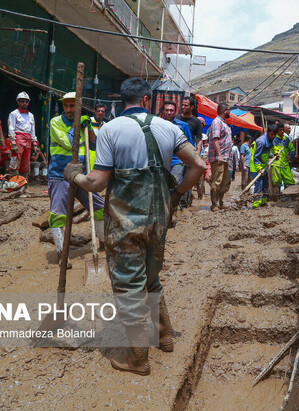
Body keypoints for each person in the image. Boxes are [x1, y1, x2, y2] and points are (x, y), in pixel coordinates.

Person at [63, 77, 204, 375]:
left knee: (129, 287)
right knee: (151, 278)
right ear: (146, 100)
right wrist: (177, 193)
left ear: (121, 101)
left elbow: (97, 183)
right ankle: (164, 336)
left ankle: (138, 358)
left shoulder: (111, 129)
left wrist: (73, 176)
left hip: (126, 223)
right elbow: (199, 166)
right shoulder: (170, 128)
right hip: (158, 220)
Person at [48, 92, 105, 265]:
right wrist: (77, 126)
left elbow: (94, 144)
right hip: (60, 174)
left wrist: (88, 127)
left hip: (82, 174)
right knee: (58, 213)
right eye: (66, 106)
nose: (68, 109)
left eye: (72, 106)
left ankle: (103, 243)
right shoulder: (55, 122)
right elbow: (68, 142)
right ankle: (61, 253)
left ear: (79, 106)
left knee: (100, 207)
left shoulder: (85, 122)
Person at [162, 100, 194, 209]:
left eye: (172, 110)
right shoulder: (158, 124)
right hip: (161, 161)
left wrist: (190, 161)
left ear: (176, 112)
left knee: (174, 185)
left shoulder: (183, 126)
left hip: (177, 161)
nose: (169, 113)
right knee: (162, 186)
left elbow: (189, 143)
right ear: (163, 112)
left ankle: (172, 209)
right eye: (167, 110)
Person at [7, 92, 39, 179]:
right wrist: (13, 143)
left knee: (26, 162)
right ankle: (13, 182)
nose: (24, 103)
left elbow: (32, 130)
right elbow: (11, 129)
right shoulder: (14, 114)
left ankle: (24, 183)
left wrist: (35, 144)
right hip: (18, 139)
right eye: (22, 101)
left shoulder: (31, 116)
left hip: (28, 140)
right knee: (15, 161)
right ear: (18, 102)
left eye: (26, 101)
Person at [208, 103, 232, 211]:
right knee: (217, 181)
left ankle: (221, 202)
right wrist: (219, 155)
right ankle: (214, 204)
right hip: (219, 158)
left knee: (224, 181)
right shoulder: (217, 122)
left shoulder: (224, 123)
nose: (230, 112)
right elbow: (215, 139)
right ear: (224, 111)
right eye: (229, 110)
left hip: (225, 157)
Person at [250, 124, 277, 208]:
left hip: (264, 165)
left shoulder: (271, 140)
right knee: (259, 184)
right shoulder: (261, 142)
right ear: (268, 132)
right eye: (272, 134)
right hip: (256, 166)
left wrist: (275, 153)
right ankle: (256, 203)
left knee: (266, 184)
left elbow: (272, 148)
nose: (273, 136)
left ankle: (264, 202)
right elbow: (256, 157)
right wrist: (259, 169)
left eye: (274, 135)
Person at [271, 122, 295, 191]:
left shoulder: (287, 139)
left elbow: (292, 149)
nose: (282, 131)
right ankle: (277, 197)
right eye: (280, 130)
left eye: (283, 130)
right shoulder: (274, 140)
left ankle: (290, 196)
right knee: (276, 182)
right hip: (276, 165)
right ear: (277, 131)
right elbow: (270, 151)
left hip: (285, 165)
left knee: (290, 181)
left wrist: (290, 156)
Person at [88, 103, 107, 171]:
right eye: (98, 111)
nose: (100, 113)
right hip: (88, 149)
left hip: (99, 151)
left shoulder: (105, 125)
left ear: (104, 113)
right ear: (95, 111)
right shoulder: (89, 121)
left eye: (102, 111)